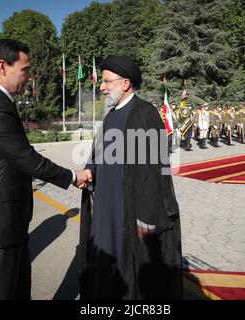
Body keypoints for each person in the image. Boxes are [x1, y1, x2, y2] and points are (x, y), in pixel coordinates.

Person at [0, 39, 88, 300]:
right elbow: (27, 159)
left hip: (7, 224)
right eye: (26, 70)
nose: (30, 77)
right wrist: (73, 177)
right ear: (3, 67)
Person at [78, 55, 182, 300]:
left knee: (130, 274)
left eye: (106, 82)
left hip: (130, 212)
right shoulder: (112, 114)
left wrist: (146, 217)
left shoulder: (145, 114)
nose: (101, 87)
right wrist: (89, 170)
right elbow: (100, 152)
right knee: (106, 268)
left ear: (125, 84)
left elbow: (155, 173)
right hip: (106, 209)